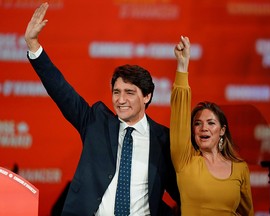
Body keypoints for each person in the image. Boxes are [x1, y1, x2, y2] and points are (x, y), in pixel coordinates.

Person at [25, 2, 180, 216]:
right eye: (116, 92)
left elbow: (183, 193)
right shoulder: (96, 122)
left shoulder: (164, 140)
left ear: (147, 96)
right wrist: (34, 46)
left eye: (129, 92)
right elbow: (62, 91)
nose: (121, 99)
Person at [170, 35, 254, 215]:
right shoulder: (185, 161)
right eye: (197, 124)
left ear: (222, 130)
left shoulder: (240, 168)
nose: (203, 128)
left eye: (211, 123)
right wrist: (182, 66)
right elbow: (179, 113)